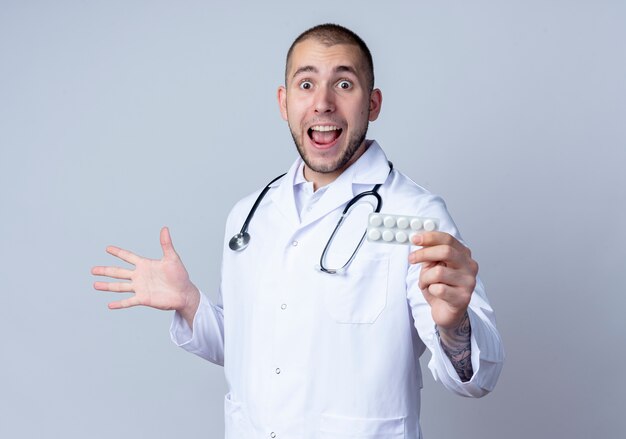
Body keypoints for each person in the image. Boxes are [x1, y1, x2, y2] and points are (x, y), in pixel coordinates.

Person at [92, 23, 504, 439]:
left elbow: (475, 379)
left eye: (344, 83)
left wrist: (455, 326)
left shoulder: (414, 214)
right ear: (284, 102)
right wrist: (189, 303)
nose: (323, 103)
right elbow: (250, 353)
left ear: (373, 104)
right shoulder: (250, 216)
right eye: (306, 84)